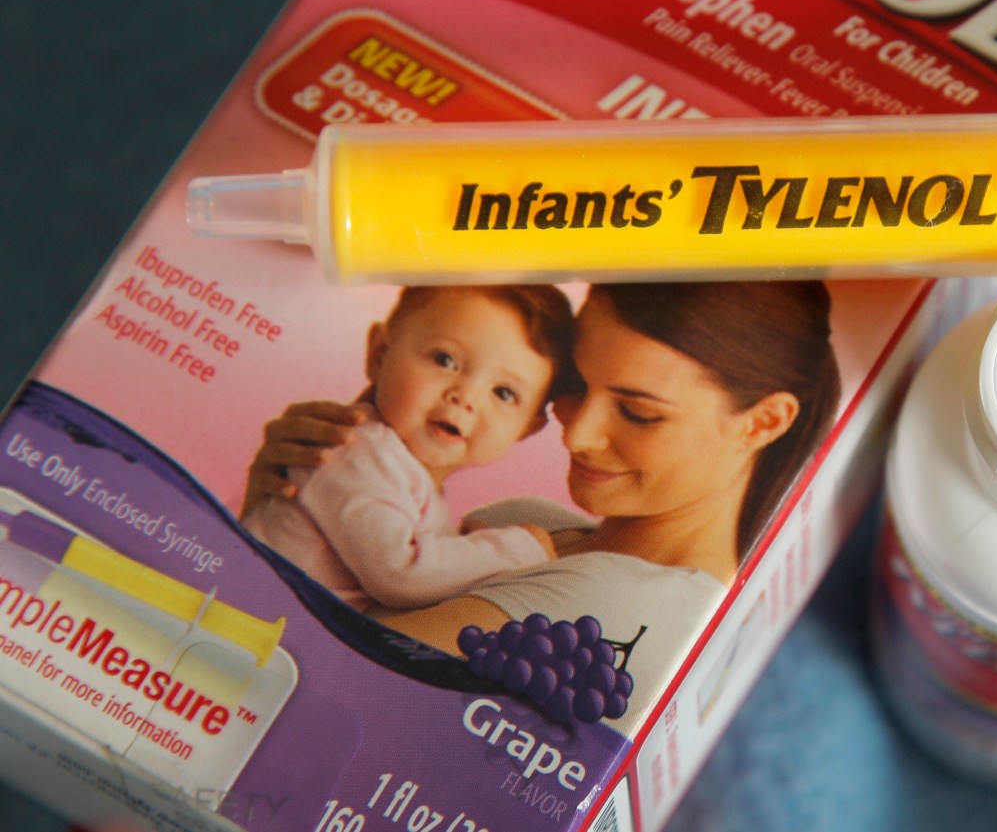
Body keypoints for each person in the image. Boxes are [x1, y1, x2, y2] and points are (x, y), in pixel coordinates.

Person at [247, 281, 841, 727]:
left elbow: (306, 688)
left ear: (762, 423)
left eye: (638, 413)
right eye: (576, 384)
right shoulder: (526, 524)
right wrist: (287, 497)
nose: (575, 434)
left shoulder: (619, 607)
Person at [243, 285, 574, 612]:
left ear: (526, 428)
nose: (466, 397)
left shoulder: (408, 475)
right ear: (380, 355)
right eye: (445, 360)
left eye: (503, 393)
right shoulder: (355, 451)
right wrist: (518, 550)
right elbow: (400, 574)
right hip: (243, 612)